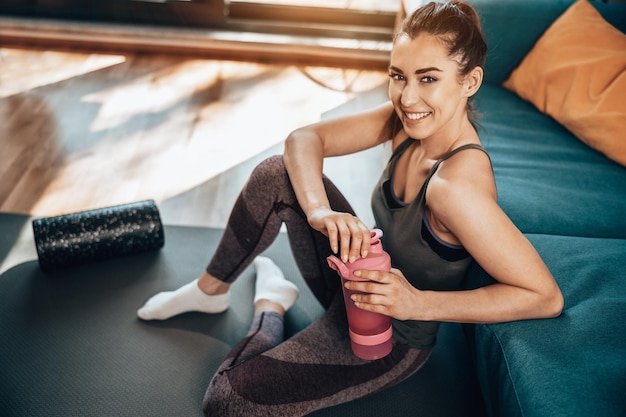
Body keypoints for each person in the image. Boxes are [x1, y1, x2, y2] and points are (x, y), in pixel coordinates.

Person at [137, 1, 564, 415]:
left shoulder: (456, 187)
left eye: (428, 79)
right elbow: (303, 139)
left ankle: (271, 304)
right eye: (399, 76)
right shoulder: (407, 122)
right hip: (353, 277)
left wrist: (417, 304)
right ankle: (209, 291)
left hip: (389, 336)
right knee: (275, 174)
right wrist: (320, 212)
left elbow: (544, 297)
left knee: (228, 402)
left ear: (470, 81)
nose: (408, 96)